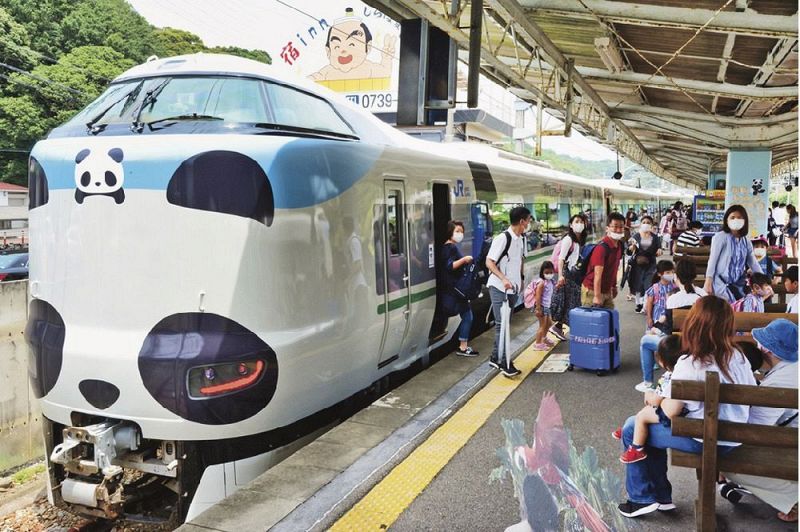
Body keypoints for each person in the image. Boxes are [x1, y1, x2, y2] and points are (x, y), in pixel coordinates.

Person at [618, 296, 756, 518]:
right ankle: (660, 498)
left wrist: (657, 399)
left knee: (632, 428)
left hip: (703, 440)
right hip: (734, 439)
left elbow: (670, 412)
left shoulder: (689, 363)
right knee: (640, 427)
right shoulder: (738, 356)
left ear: (693, 325)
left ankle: (642, 498)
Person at [723, 319, 798, 523]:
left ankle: (793, 499)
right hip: (792, 441)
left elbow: (754, 430)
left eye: (762, 343)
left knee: (722, 459)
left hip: (793, 451)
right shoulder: (791, 369)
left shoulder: (776, 384)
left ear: (770, 351)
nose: (759, 346)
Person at [614, 335, 683, 464]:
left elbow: (656, 401)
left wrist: (649, 395)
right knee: (645, 413)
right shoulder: (679, 374)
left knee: (642, 416)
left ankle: (637, 448)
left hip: (671, 416)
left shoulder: (670, 378)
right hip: (676, 410)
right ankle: (628, 430)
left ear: (662, 362)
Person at [486, 206, 531, 377]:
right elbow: (489, 262)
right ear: (522, 221)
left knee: (505, 323)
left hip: (512, 288)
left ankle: (495, 357)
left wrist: (520, 280)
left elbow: (519, 260)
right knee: (502, 323)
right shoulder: (503, 238)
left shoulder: (521, 239)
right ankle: (504, 362)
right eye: (527, 220)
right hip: (499, 287)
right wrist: (503, 278)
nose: (528, 224)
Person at [704, 205, 763, 302]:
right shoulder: (720, 237)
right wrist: (708, 282)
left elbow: (753, 263)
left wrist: (763, 281)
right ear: (727, 220)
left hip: (738, 285)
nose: (736, 220)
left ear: (745, 221)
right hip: (720, 285)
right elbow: (712, 261)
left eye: (740, 218)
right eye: (732, 217)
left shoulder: (746, 241)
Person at [441, 220, 479, 357]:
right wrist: (465, 259)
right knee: (468, 316)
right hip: (456, 290)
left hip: (452, 289)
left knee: (467, 315)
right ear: (450, 232)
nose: (460, 234)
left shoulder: (446, 247)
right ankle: (463, 347)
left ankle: (463, 345)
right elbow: (450, 266)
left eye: (462, 231)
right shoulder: (450, 247)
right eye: (457, 231)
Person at [549, 214, 588, 341]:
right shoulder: (568, 239)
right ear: (571, 225)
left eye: (582, 221)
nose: (579, 223)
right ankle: (577, 333)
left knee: (569, 302)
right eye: (576, 221)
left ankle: (559, 327)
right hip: (567, 275)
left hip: (574, 274)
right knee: (572, 303)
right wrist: (560, 276)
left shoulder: (579, 240)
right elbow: (561, 259)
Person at [581, 212, 625, 309]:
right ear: (607, 228)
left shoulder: (619, 246)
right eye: (615, 226)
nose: (618, 230)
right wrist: (597, 296)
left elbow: (614, 268)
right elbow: (597, 275)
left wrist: (614, 286)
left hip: (606, 290)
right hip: (592, 290)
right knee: (593, 322)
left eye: (621, 227)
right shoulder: (602, 248)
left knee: (609, 319)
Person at [627, 215, 662, 313]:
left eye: (648, 223)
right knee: (638, 285)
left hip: (650, 264)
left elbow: (659, 248)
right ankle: (639, 304)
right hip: (637, 265)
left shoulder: (655, 237)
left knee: (649, 284)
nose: (646, 224)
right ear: (640, 224)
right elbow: (628, 251)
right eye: (644, 222)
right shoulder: (635, 236)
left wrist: (659, 250)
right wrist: (631, 248)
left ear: (651, 225)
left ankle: (647, 305)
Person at [644, 260, 676, 335]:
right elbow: (649, 303)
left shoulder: (675, 287)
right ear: (659, 274)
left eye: (672, 272)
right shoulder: (655, 287)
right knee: (655, 334)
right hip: (656, 317)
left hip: (669, 316)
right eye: (667, 272)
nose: (671, 274)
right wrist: (649, 318)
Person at [532, 261, 557, 350]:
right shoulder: (542, 283)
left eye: (551, 272)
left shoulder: (550, 281)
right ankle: (538, 344)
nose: (549, 274)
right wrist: (538, 308)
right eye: (546, 272)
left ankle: (544, 338)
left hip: (547, 307)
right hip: (541, 307)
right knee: (542, 325)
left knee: (548, 323)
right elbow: (538, 296)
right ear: (542, 272)